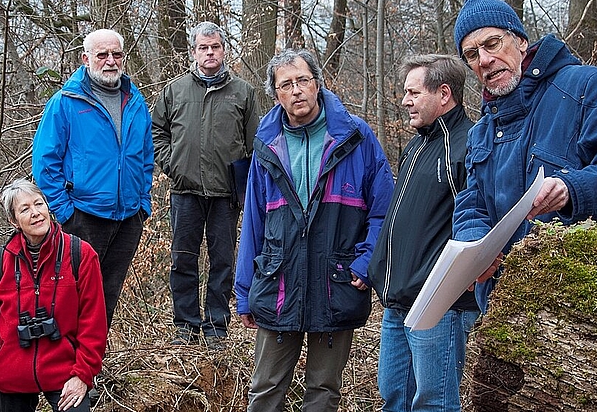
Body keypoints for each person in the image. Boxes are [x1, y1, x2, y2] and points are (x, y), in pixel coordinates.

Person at [452, 0, 597, 314]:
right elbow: (471, 203)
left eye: (492, 44)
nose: (485, 60)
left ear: (520, 41)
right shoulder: (482, 130)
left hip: (589, 303)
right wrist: (474, 245)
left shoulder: (587, 86)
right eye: (472, 54)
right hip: (506, 306)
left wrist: (572, 189)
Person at [234, 48, 394, 411]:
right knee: (265, 388)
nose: (296, 90)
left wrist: (367, 259)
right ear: (276, 94)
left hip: (335, 282)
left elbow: (384, 209)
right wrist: (244, 290)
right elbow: (253, 224)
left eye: (303, 80)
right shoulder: (266, 145)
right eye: (285, 84)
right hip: (279, 284)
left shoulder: (356, 137)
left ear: (318, 84)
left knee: (323, 390)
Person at [368, 54, 476, 411]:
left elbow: (477, 225)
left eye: (414, 92)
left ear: (444, 94)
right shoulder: (416, 146)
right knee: (393, 397)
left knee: (434, 403)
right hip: (396, 302)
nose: (405, 101)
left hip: (438, 304)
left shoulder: (468, 146)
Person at [32, 28, 154, 330]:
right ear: (86, 59)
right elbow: (45, 163)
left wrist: (143, 204)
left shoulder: (135, 102)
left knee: (107, 297)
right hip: (83, 217)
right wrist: (65, 212)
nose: (110, 61)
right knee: (73, 296)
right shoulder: (66, 102)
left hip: (128, 218)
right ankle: (65, 369)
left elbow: (146, 157)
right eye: (102, 54)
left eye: (116, 54)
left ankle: (92, 368)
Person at [151, 21, 260, 349]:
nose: (209, 53)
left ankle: (216, 328)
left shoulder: (243, 92)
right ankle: (185, 327)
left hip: (226, 194)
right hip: (185, 192)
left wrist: (242, 186)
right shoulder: (174, 90)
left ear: (223, 49)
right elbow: (157, 133)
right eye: (203, 47)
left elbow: (256, 144)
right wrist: (174, 166)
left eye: (215, 47)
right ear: (194, 51)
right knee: (182, 260)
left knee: (223, 262)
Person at [0, 178, 107, 412]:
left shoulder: (80, 255)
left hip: (65, 370)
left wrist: (82, 374)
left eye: (39, 204)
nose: (35, 213)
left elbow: (94, 323)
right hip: (9, 372)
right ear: (14, 221)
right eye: (25, 209)